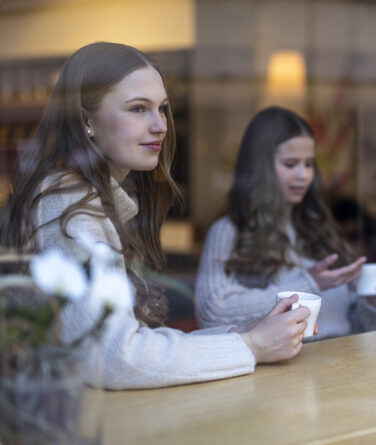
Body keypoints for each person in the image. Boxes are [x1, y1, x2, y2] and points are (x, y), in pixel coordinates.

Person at [0, 42, 313, 390]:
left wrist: (246, 334)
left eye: (162, 108)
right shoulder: (65, 200)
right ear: (86, 120)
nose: (160, 125)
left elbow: (126, 344)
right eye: (138, 108)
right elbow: (114, 358)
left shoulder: (91, 197)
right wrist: (251, 346)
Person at [195, 106, 376, 340]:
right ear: (260, 168)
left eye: (309, 164)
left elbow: (358, 328)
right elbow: (212, 315)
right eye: (291, 164)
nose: (304, 175)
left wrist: (372, 304)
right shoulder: (229, 230)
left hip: (342, 366)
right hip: (279, 371)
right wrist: (309, 283)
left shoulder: (320, 228)